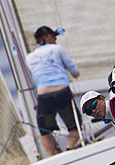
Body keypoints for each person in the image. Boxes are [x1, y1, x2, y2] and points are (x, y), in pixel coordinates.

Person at [26, 26, 81, 157]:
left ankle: (50, 156)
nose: (55, 39)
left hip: (44, 96)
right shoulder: (57, 49)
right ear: (45, 37)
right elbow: (75, 72)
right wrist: (75, 74)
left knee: (44, 131)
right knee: (75, 126)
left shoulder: (30, 57)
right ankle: (69, 147)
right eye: (53, 37)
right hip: (62, 92)